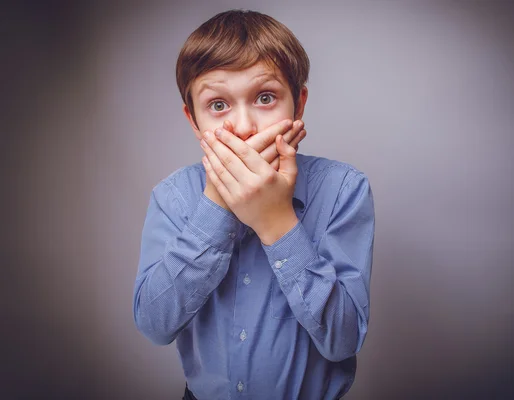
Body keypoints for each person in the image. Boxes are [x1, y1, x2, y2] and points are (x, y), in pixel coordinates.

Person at [133, 9, 375, 400]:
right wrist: (217, 205)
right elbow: (154, 324)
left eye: (265, 98)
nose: (244, 127)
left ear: (298, 104)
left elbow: (343, 340)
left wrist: (277, 220)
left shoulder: (343, 189)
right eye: (218, 105)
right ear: (193, 121)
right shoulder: (173, 196)